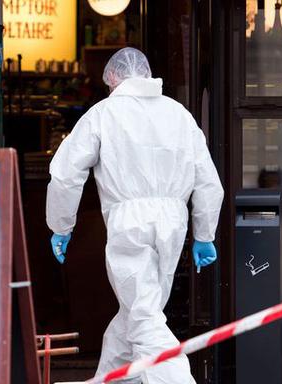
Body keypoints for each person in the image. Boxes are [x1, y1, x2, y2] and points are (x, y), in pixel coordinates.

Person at [46, 47, 224, 383]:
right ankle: (113, 379)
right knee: (138, 311)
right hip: (174, 222)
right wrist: (204, 234)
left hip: (129, 222)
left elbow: (66, 175)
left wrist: (61, 225)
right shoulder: (179, 114)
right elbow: (208, 182)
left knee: (144, 317)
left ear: (112, 79)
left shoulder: (104, 113)